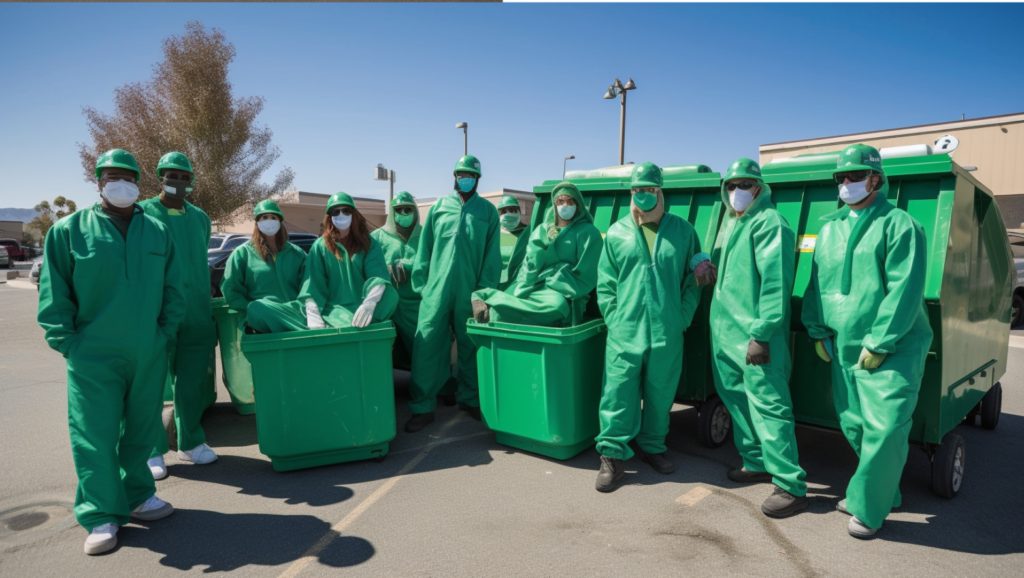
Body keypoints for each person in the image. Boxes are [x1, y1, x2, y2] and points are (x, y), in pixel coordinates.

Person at [38, 149, 185, 555]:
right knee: (94, 434)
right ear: (99, 182)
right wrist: (68, 343)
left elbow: (173, 288)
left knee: (141, 429)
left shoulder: (156, 230)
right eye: (111, 177)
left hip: (147, 349)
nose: (120, 183)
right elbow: (55, 295)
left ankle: (138, 495)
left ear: (139, 182)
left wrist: (163, 334)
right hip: (93, 353)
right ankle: (100, 512)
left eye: (128, 177)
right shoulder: (68, 230)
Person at [802, 144, 933, 538]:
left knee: (886, 427)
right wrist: (816, 327)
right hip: (843, 342)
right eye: (841, 178)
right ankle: (882, 491)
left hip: (894, 346)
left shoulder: (900, 225)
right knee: (855, 423)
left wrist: (880, 341)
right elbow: (817, 285)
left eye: (855, 176)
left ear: (876, 179)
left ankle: (868, 509)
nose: (846, 184)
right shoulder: (828, 229)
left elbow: (905, 290)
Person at [593, 162, 709, 492]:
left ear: (660, 192)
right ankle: (612, 457)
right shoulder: (616, 233)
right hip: (624, 332)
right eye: (636, 191)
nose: (642, 196)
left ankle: (654, 448)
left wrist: (681, 317)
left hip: (666, 331)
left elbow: (693, 281)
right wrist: (614, 319)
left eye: (648, 190)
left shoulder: (683, 231)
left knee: (660, 395)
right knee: (617, 393)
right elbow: (606, 283)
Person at [709, 158, 808, 518]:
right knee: (736, 399)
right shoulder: (731, 223)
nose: (737, 192)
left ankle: (791, 484)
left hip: (754, 337)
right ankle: (755, 461)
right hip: (725, 335)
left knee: (769, 407)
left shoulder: (770, 223)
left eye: (745, 184)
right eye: (732, 185)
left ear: (759, 188)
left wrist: (762, 334)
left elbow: (774, 284)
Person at [405, 155, 502, 432]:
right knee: (426, 346)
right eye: (461, 174)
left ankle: (470, 399)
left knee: (470, 346)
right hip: (436, 290)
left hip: (470, 292)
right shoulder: (439, 207)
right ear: (454, 176)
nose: (465, 179)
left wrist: (483, 294)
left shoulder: (487, 212)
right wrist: (424, 288)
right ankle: (422, 407)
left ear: (478, 179)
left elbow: (491, 258)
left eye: (470, 175)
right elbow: (424, 250)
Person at [141, 152, 218, 479]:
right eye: (172, 175)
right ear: (160, 176)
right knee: (151, 385)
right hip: (157, 312)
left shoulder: (200, 217)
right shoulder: (143, 213)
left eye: (184, 176)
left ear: (192, 181)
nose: (178, 181)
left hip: (197, 313)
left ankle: (190, 443)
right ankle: (151, 449)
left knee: (191, 384)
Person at [246, 192, 398, 332]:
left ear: (354, 215)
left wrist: (370, 304)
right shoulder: (320, 246)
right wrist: (314, 316)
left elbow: (377, 276)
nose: (341, 215)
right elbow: (313, 285)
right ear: (329, 217)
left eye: (346, 211)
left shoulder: (369, 244)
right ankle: (315, 329)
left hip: (362, 311)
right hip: (330, 312)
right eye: (335, 212)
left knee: (390, 294)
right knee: (257, 308)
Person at [471, 181, 602, 327]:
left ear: (577, 204)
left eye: (570, 201)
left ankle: (494, 305)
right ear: (554, 204)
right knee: (504, 303)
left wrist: (558, 276)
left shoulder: (589, 233)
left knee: (555, 308)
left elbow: (586, 273)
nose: (565, 205)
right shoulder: (542, 230)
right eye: (560, 201)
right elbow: (529, 264)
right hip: (534, 283)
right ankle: (483, 295)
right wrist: (523, 286)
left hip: (563, 289)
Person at [220, 200, 307, 328]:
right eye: (264, 217)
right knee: (257, 307)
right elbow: (231, 289)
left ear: (280, 222)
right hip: (260, 317)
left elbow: (309, 285)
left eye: (273, 217)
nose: (269, 220)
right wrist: (249, 312)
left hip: (292, 313)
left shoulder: (297, 253)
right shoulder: (243, 253)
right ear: (257, 222)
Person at [496, 195, 530, 291]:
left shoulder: (528, 232)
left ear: (519, 211)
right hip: (498, 283)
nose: (508, 213)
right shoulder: (495, 235)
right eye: (504, 211)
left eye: (512, 210)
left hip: (520, 283)